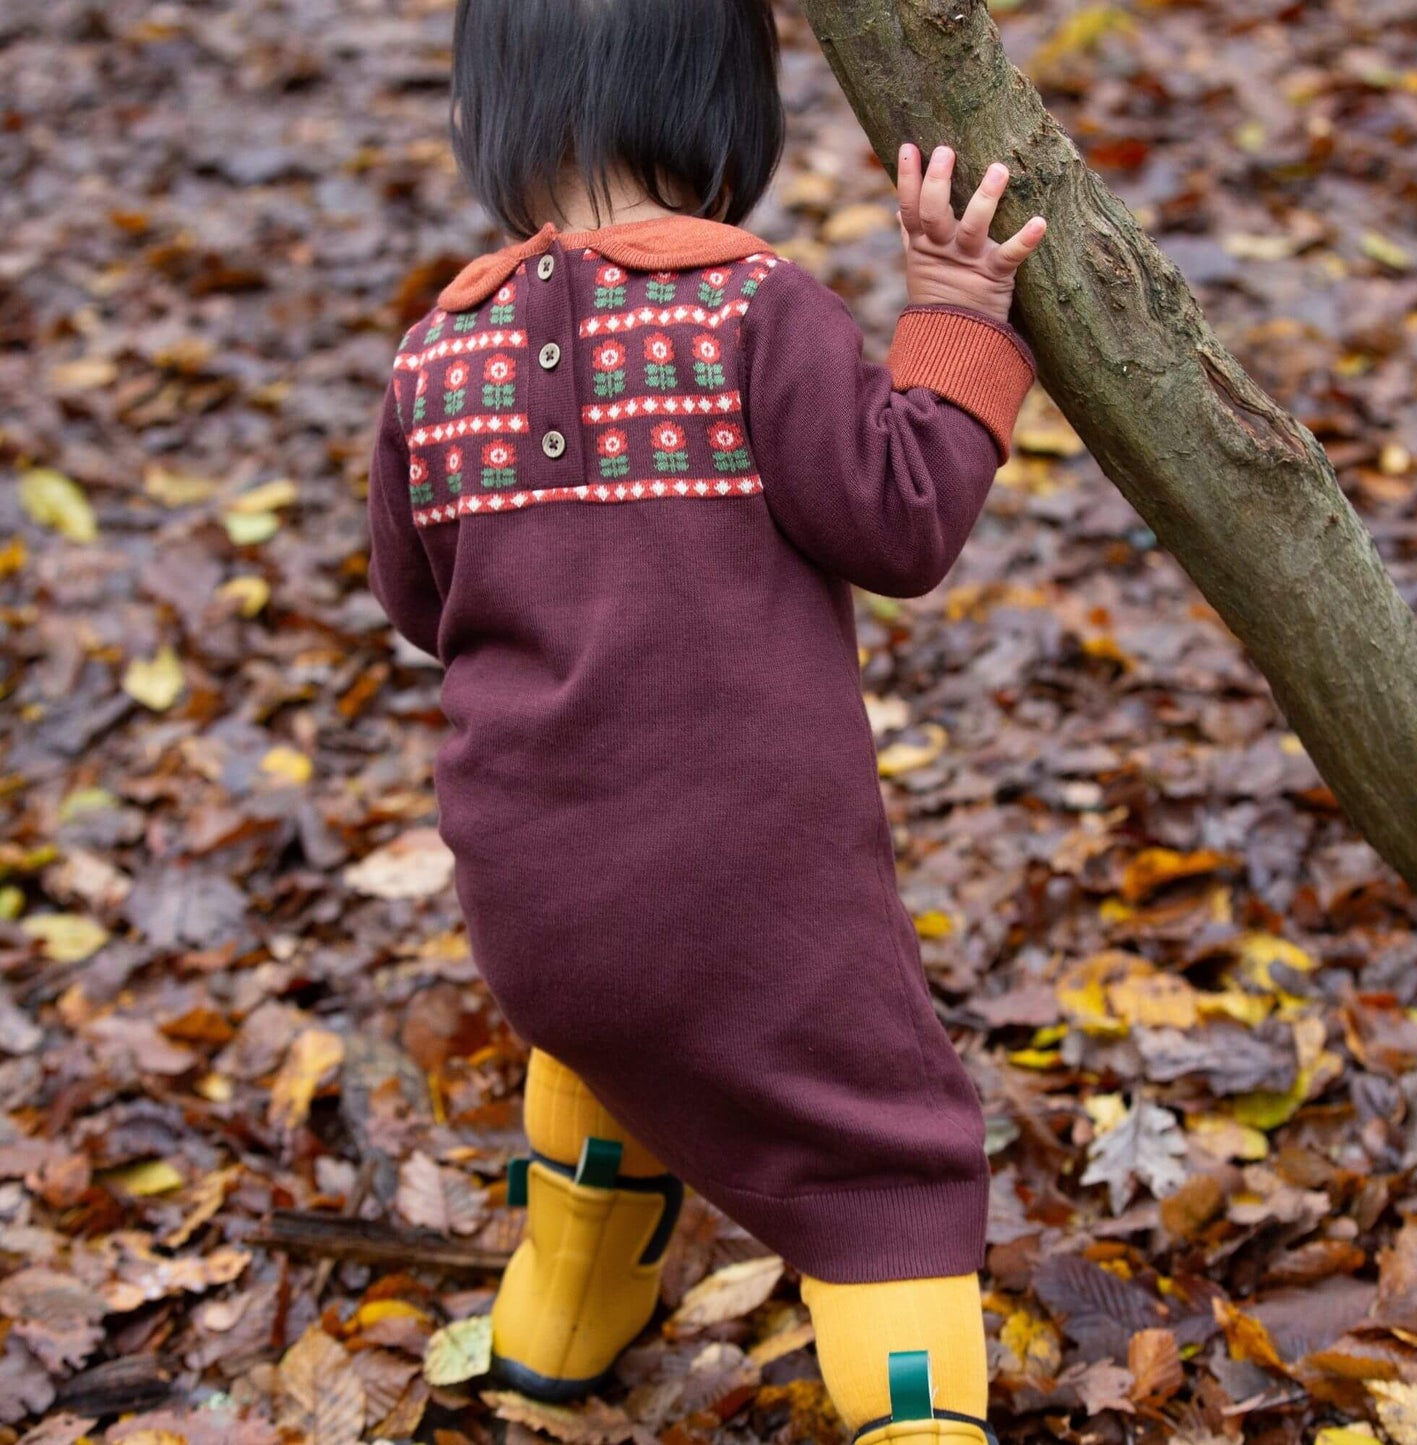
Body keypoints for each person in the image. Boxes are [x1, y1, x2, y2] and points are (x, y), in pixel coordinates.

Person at [365, 2, 1046, 1441]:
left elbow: (418, 599)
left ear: (485, 113)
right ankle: (920, 1417)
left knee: (611, 1038)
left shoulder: (436, 352)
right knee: (881, 1145)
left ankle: (556, 1326)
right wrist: (955, 318)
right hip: (748, 883)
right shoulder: (753, 310)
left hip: (531, 898)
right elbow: (900, 517)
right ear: (724, 104)